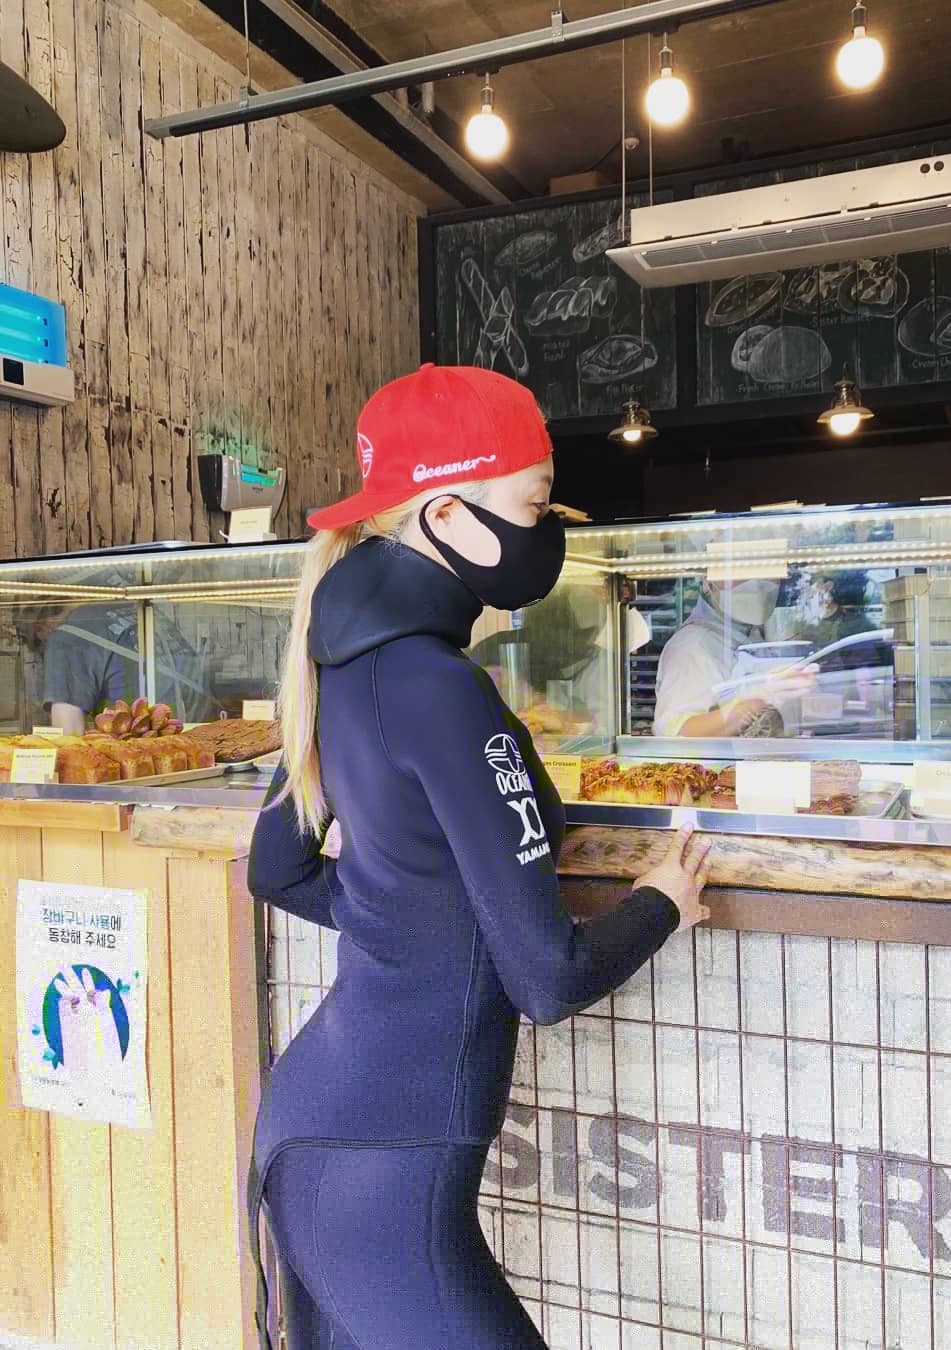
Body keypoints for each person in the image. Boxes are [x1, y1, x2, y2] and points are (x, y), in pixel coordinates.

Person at [244, 363, 713, 1350]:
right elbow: (549, 976)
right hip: (382, 1181)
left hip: (318, 1130)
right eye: (535, 504)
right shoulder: (443, 690)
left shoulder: (338, 664)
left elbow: (278, 869)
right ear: (449, 516)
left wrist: (415, 918)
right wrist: (663, 900)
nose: (547, 528)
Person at [653, 577, 813, 738]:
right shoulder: (693, 646)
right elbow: (676, 731)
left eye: (768, 574)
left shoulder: (745, 630)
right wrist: (756, 701)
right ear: (707, 582)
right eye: (741, 574)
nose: (757, 585)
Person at [35, 597, 216, 733]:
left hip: (138, 754)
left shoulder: (66, 638)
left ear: (42, 626)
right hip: (195, 739)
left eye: (32, 640)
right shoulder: (138, 610)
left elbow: (68, 733)